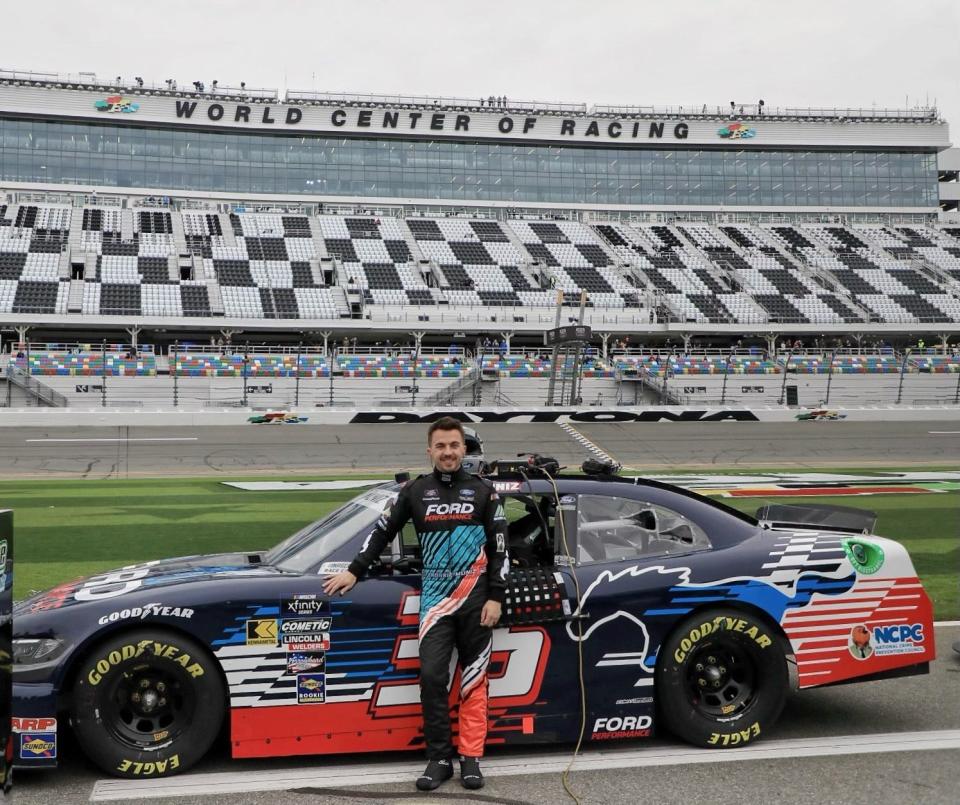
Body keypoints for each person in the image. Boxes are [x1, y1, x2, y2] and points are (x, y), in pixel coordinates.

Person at [323, 417, 508, 792]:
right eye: (440, 446)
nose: (448, 452)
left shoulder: (485, 492)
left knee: (473, 681)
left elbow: (499, 547)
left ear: (464, 448)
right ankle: (439, 758)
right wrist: (355, 571)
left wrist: (496, 596)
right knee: (432, 678)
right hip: (436, 601)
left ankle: (471, 759)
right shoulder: (414, 492)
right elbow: (381, 532)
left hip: (476, 602)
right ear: (430, 451)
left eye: (454, 445)